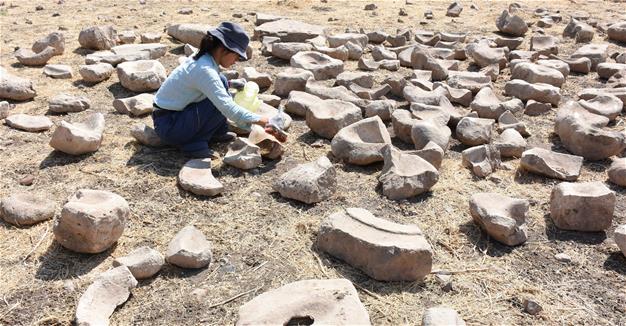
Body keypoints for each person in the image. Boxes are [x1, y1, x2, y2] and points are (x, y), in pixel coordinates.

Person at [152, 22, 268, 158]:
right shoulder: (204, 70)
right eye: (237, 56)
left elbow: (201, 85)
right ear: (224, 50)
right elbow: (229, 109)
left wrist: (230, 84)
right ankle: (193, 145)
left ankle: (216, 133)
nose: (236, 61)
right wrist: (262, 120)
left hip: (172, 118)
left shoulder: (203, 58)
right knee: (217, 100)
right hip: (170, 125)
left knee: (223, 82)